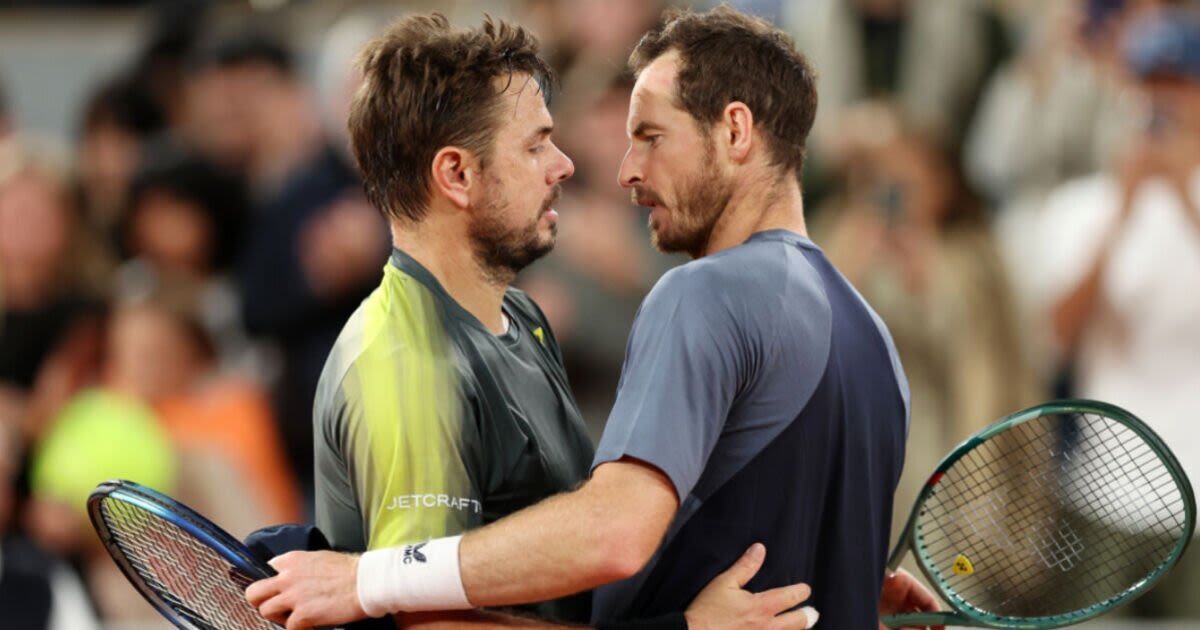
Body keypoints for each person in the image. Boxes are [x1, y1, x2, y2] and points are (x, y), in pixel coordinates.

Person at [249, 7, 935, 630]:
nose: (598, 168)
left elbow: (610, 536)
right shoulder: (868, 327)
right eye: (536, 145)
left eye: (652, 136)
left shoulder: (560, 319)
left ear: (735, 130)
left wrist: (369, 579)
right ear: (456, 175)